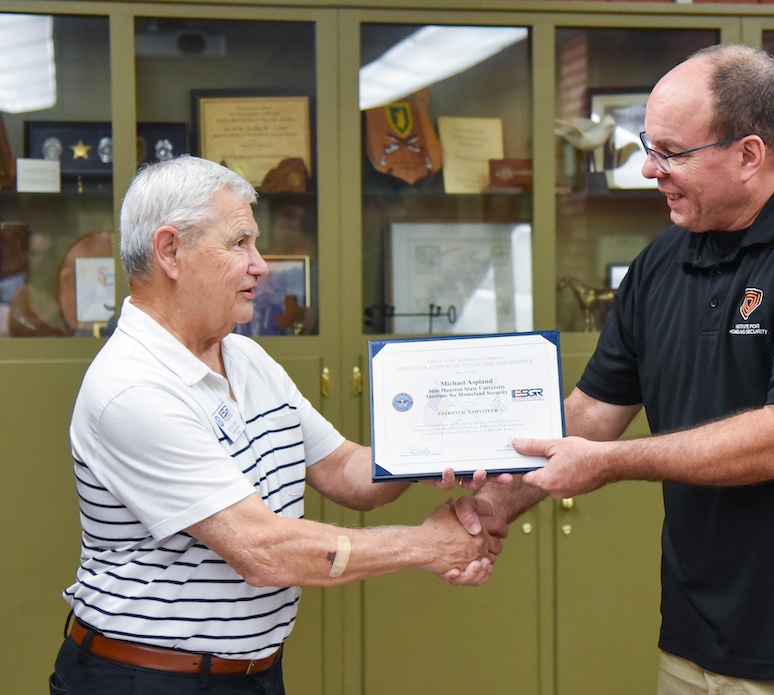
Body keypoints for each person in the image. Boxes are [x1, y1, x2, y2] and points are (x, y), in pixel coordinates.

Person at [459, 44, 774, 694]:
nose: (648, 168)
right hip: (700, 645)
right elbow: (590, 413)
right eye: (648, 145)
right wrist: (496, 500)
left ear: (750, 153)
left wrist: (607, 464)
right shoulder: (662, 263)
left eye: (671, 152)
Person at [50, 155, 505, 695]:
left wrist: (430, 446)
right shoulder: (132, 389)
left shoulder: (245, 358)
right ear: (170, 251)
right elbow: (262, 550)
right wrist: (431, 546)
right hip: (145, 679)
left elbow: (342, 469)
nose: (261, 264)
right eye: (239, 242)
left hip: (252, 675)